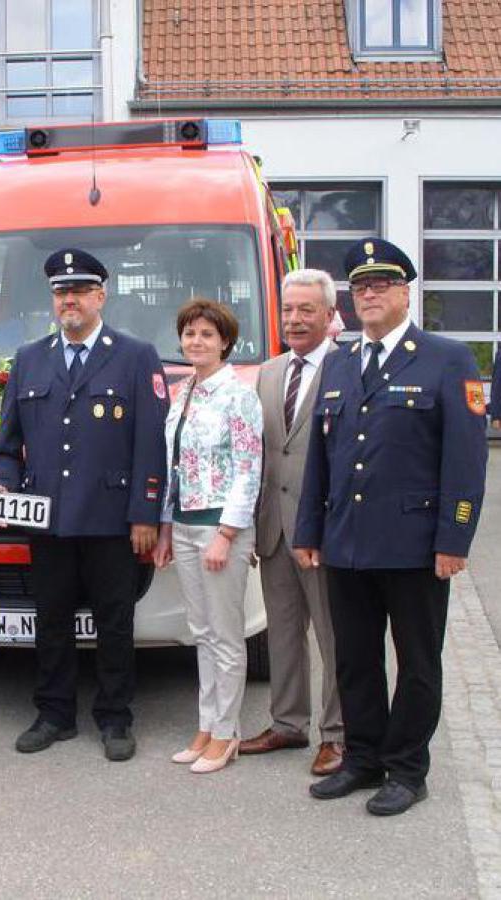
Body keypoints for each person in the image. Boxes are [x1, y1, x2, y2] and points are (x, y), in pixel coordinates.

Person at [294, 238, 487, 816]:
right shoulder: (340, 361)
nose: (369, 294)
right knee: (353, 658)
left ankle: (406, 769)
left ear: (406, 293)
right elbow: (320, 458)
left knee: (417, 663)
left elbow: (465, 460)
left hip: (414, 546)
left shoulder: (446, 359)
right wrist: (309, 530)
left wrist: (454, 538)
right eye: (360, 286)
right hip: (347, 542)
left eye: (381, 284)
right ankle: (363, 758)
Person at [0, 248, 168, 762]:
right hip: (47, 520)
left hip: (111, 519)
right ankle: (54, 714)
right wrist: (3, 487)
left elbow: (150, 442)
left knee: (115, 623)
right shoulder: (29, 358)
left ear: (101, 296)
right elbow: (6, 445)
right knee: (51, 621)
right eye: (62, 292)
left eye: (81, 291)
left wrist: (144, 513)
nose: (70, 300)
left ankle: (115, 717)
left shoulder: (135, 356)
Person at [240, 270, 344, 776]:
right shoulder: (268, 372)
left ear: (329, 314)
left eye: (307, 309)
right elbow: (262, 452)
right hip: (274, 528)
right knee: (282, 631)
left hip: (323, 530)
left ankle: (338, 735)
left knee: (334, 635)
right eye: (288, 309)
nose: (295, 319)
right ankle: (287, 723)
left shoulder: (348, 367)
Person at [152, 298, 262, 774]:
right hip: (184, 525)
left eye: (206, 335)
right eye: (190, 334)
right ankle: (206, 724)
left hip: (221, 529)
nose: (196, 342)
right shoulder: (182, 393)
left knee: (225, 636)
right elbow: (172, 468)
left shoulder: (239, 395)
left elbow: (249, 468)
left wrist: (227, 534)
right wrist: (165, 528)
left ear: (225, 342)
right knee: (201, 632)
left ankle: (227, 732)